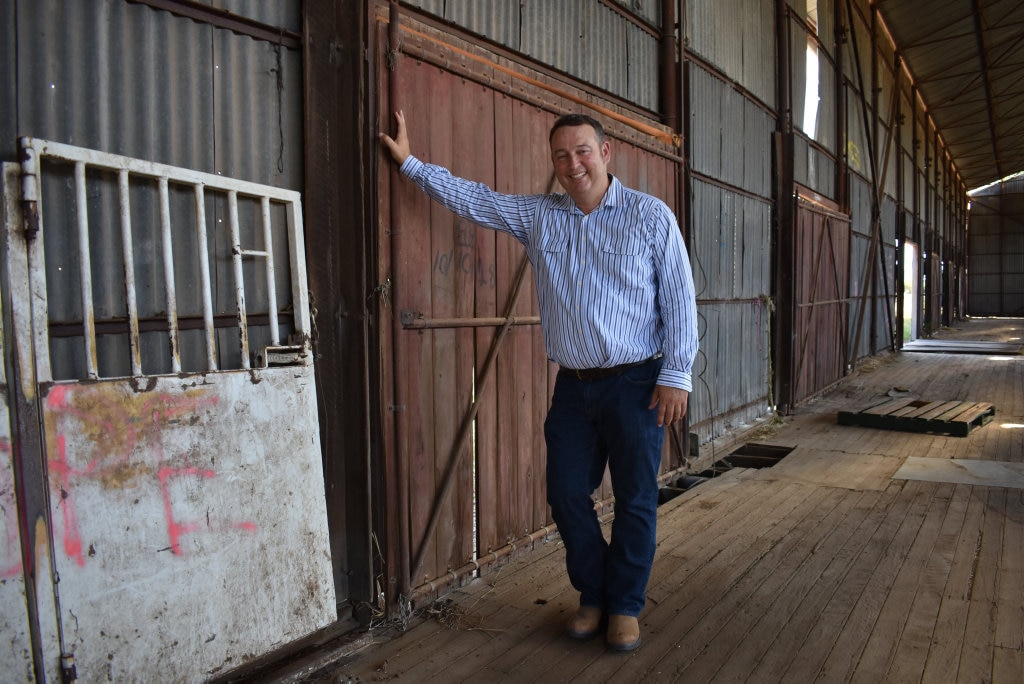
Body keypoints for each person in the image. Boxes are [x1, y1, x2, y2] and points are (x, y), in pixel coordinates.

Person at [379, 110, 698, 652]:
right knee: (567, 493)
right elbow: (474, 199)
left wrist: (676, 374)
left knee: (637, 498)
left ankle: (623, 607)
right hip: (574, 386)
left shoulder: (650, 217)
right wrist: (410, 164)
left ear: (606, 152)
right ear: (553, 163)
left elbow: (679, 299)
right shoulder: (538, 217)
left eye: (582, 151)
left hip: (638, 381)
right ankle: (593, 594)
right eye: (561, 155)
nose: (573, 164)